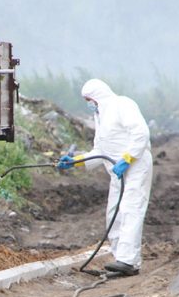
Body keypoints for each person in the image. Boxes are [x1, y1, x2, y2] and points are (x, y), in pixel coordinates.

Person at [58, 78, 153, 276]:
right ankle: (123, 260)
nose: (88, 104)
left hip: (135, 167)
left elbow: (141, 133)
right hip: (117, 172)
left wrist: (127, 158)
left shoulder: (122, 104)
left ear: (97, 96)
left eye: (88, 99)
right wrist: (76, 161)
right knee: (114, 213)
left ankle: (128, 261)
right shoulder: (100, 117)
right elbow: (100, 150)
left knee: (130, 209)